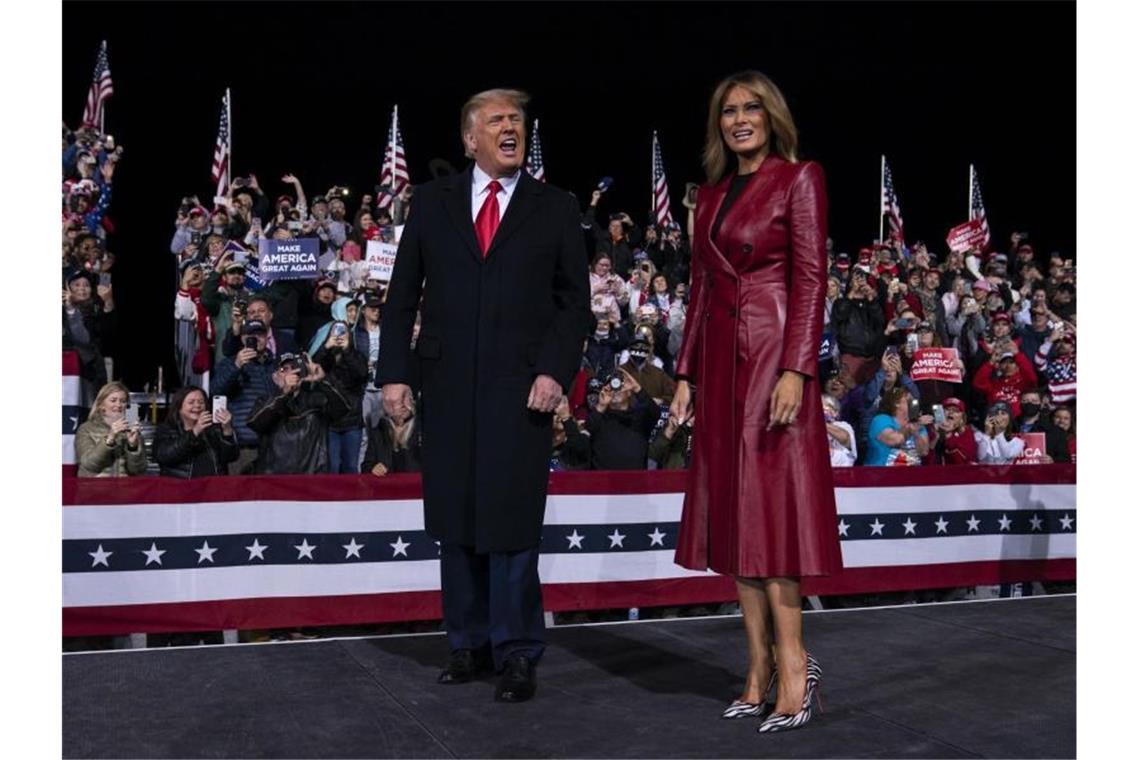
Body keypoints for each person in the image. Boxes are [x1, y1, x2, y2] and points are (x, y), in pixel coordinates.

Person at [377, 89, 592, 703]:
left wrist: (555, 372)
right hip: (445, 388)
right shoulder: (432, 202)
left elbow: (574, 304)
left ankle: (517, 651)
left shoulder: (555, 207)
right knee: (457, 520)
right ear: (469, 138)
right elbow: (401, 297)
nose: (510, 128)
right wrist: (395, 374)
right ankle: (467, 645)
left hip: (522, 390)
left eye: (518, 120)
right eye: (497, 120)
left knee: (512, 521)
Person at [669, 72, 840, 732]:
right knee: (734, 523)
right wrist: (685, 373)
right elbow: (697, 289)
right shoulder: (708, 195)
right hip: (718, 361)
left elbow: (811, 275)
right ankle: (757, 669)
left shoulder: (800, 178)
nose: (739, 118)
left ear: (772, 116)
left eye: (751, 108)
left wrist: (798, 367)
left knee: (772, 515)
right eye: (728, 110)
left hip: (772, 354)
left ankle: (795, 668)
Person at [247, 353, 350, 474]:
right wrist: (284, 393)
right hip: (275, 479)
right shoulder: (265, 401)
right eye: (284, 369)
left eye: (295, 367)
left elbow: (343, 410)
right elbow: (256, 424)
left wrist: (323, 381)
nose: (291, 373)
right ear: (275, 377)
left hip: (312, 477)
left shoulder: (317, 399)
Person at [210, 319, 279, 474]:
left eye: (260, 334)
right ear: (242, 338)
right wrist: (237, 365)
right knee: (240, 494)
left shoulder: (275, 365)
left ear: (267, 336)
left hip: (271, 446)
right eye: (251, 335)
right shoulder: (229, 362)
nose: (256, 339)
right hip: (243, 448)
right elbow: (216, 390)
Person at [312, 317, 369, 473]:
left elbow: (361, 373)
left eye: (343, 332)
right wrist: (326, 346)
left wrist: (347, 351)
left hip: (352, 421)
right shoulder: (326, 357)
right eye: (335, 331)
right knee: (333, 466)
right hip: (330, 422)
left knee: (351, 467)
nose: (339, 335)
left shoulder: (356, 355)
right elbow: (312, 367)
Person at [152, 386, 239, 478]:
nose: (197, 406)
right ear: (179, 407)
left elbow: (231, 457)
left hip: (213, 488)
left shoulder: (214, 429)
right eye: (191, 402)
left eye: (201, 402)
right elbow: (164, 456)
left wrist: (227, 429)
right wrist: (195, 432)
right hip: (180, 488)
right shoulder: (166, 430)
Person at [586, 368, 661, 469]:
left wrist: (637, 388)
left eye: (619, 386)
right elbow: (587, 432)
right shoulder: (599, 417)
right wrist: (601, 405)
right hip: (604, 482)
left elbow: (655, 412)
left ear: (629, 392)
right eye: (612, 386)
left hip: (634, 481)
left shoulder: (640, 417)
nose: (616, 390)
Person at [75, 381, 148, 477]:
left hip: (124, 490)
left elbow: (139, 471)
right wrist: (109, 439)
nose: (118, 405)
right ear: (101, 405)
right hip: (95, 489)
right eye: (113, 400)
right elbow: (89, 465)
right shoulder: (86, 429)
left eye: (123, 401)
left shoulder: (131, 429)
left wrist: (133, 446)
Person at [865, 387, 931, 466]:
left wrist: (916, 432)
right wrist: (911, 427)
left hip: (912, 475)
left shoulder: (918, 425)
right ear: (896, 403)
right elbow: (894, 440)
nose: (912, 402)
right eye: (908, 399)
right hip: (882, 474)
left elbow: (923, 452)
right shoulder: (881, 420)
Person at [361, 399, 424, 476]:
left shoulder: (422, 430)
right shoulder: (379, 432)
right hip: (387, 485)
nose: (404, 406)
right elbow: (366, 466)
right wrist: (373, 469)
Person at [1017, 388, 1069, 463]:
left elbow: (1066, 460)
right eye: (1025, 401)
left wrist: (1053, 461)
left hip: (1043, 473)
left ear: (1041, 404)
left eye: (1034, 401)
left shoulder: (1056, 432)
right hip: (1015, 473)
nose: (1029, 403)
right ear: (1020, 403)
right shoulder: (1010, 427)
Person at [934, 397, 978, 464]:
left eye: (956, 411)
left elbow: (963, 461)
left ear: (962, 418)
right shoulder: (933, 430)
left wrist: (949, 436)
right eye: (947, 409)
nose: (951, 412)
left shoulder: (967, 433)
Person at [822, 394, 856, 467]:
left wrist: (821, 423)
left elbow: (844, 438)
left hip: (840, 469)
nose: (823, 409)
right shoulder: (812, 426)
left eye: (827, 406)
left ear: (836, 413)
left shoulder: (843, 425)